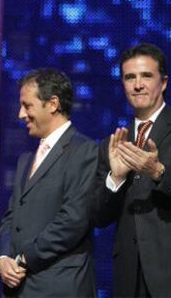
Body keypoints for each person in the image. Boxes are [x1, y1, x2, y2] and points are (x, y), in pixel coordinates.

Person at [0, 68, 97, 297]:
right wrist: (2, 259)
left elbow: (73, 220)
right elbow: (11, 218)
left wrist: (24, 259)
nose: (21, 114)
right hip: (19, 287)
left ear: (52, 104)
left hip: (59, 286)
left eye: (27, 106)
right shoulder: (25, 160)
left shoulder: (84, 151)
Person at [91, 43, 171, 297]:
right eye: (130, 77)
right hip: (128, 276)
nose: (138, 85)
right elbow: (100, 217)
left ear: (164, 82)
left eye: (147, 76)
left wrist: (159, 172)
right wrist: (115, 177)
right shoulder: (115, 143)